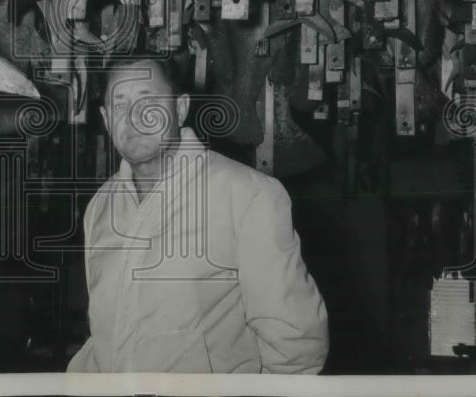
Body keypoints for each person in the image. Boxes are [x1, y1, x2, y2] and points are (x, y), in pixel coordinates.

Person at [67, 58, 329, 374]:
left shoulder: (246, 194)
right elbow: (105, 334)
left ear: (180, 109)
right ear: (107, 120)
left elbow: (296, 345)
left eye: (148, 100)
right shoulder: (100, 207)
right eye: (120, 106)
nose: (134, 117)